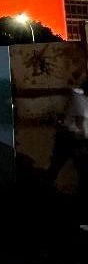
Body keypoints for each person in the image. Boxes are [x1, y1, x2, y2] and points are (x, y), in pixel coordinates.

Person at [47, 81, 88, 231]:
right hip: (71, 139)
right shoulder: (80, 99)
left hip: (71, 138)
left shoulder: (79, 98)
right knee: (82, 176)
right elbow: (82, 127)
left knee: (56, 169)